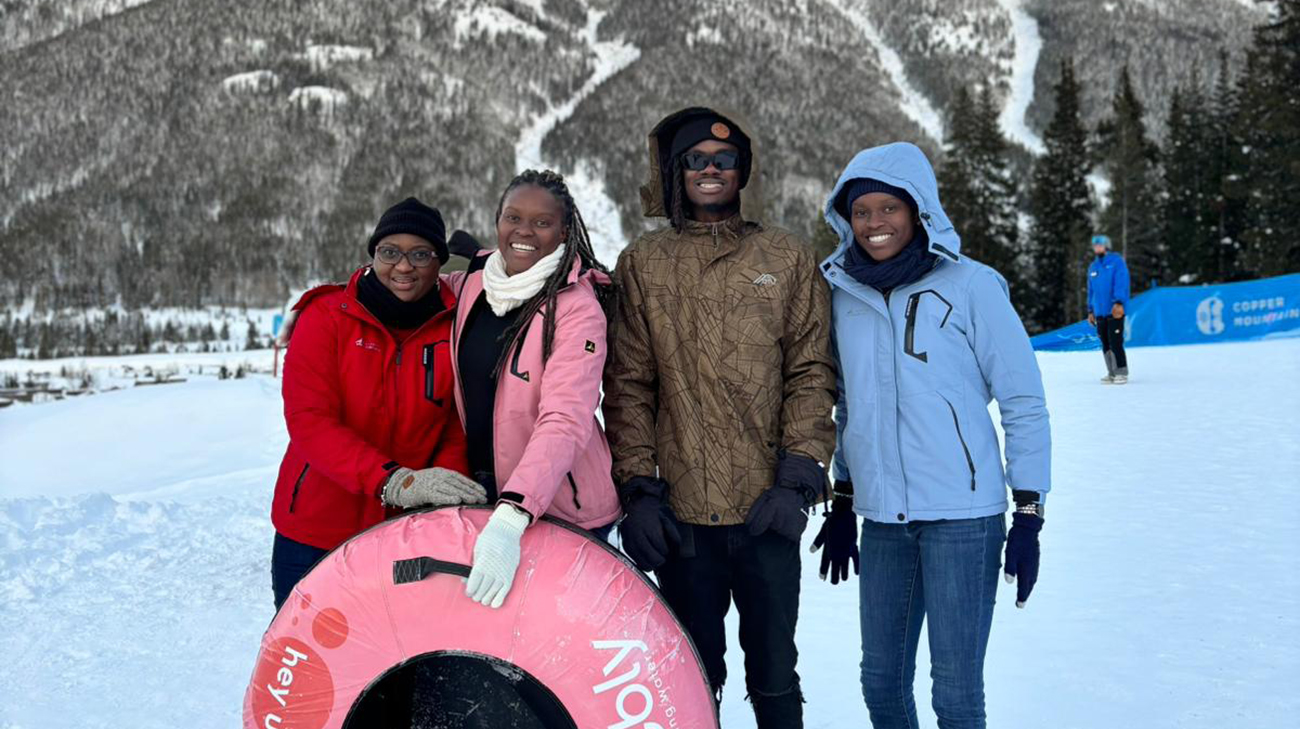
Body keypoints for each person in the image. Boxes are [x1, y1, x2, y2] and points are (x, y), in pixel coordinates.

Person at [604, 107, 836, 728]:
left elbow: (812, 373)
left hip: (766, 512)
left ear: (743, 171)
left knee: (774, 674)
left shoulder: (786, 257)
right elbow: (628, 384)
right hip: (680, 519)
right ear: (677, 173)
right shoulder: (644, 263)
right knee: (687, 675)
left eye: (724, 160)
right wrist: (637, 489)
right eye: (696, 161)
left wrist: (799, 476)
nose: (711, 170)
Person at [816, 142, 1051, 729]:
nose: (874, 223)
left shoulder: (972, 286)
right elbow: (850, 408)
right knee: (881, 683)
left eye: (888, 208)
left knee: (956, 692)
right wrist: (843, 499)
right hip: (885, 523)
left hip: (964, 522)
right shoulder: (842, 294)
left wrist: (1028, 513)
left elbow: (1023, 401)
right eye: (861, 211)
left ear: (919, 210)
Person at [269, 197, 485, 611]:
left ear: (440, 262)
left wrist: (444, 489)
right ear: (373, 255)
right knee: (310, 657)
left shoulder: (454, 323)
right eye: (390, 252)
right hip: (316, 529)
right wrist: (394, 481)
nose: (404, 267)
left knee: (395, 654)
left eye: (420, 254)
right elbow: (310, 421)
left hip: (405, 531)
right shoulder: (327, 315)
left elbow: (455, 422)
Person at [444, 169, 622, 612]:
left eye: (541, 223)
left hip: (564, 509)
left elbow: (565, 418)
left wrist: (513, 515)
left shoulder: (577, 309)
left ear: (564, 232)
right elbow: (402, 285)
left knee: (558, 648)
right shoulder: (473, 286)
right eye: (513, 217)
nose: (524, 232)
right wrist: (328, 304)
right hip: (489, 497)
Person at [1087, 234, 1130, 384]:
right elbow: (1091, 290)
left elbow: (1121, 282)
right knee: (1105, 342)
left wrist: (1119, 302)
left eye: (1100, 244)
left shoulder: (1116, 262)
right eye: (1095, 245)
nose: (1097, 247)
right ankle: (1111, 372)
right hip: (1099, 311)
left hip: (1114, 309)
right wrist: (1090, 310)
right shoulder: (1093, 267)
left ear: (1107, 245)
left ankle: (1121, 372)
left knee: (1115, 341)